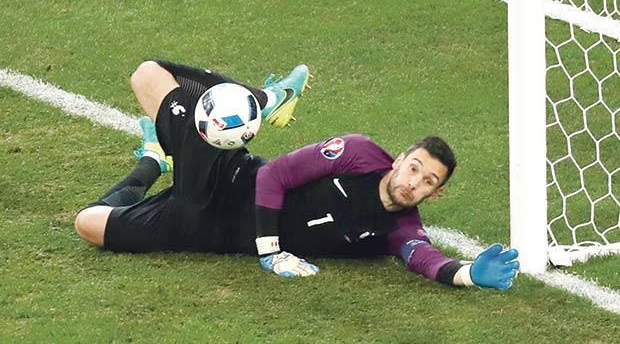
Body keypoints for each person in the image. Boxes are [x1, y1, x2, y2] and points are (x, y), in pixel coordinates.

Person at [74, 60, 520, 290]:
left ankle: (152, 159)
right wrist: (270, 252)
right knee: (149, 74)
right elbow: (276, 177)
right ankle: (266, 98)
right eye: (415, 168)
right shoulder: (359, 153)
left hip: (204, 230)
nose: (413, 183)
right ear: (400, 158)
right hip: (228, 176)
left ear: (435, 194)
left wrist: (466, 274)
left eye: (427, 182)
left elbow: (424, 259)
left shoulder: (401, 227)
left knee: (87, 224)